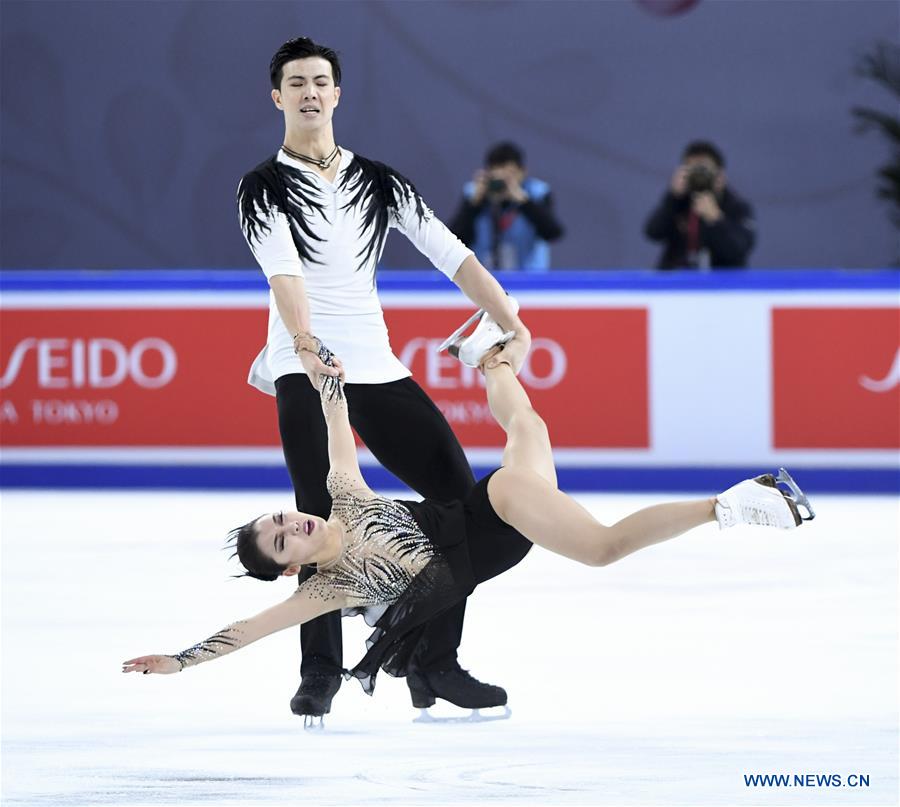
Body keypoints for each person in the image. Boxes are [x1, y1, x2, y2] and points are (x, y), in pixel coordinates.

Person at [123, 316, 816, 708]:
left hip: (495, 514)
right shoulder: (330, 588)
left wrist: (305, 363)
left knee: (603, 547)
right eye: (281, 541)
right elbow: (252, 628)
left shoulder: (342, 492)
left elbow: (336, 413)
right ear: (289, 568)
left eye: (278, 518)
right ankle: (487, 357)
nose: (289, 524)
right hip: (500, 540)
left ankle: (733, 504)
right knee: (529, 431)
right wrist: (181, 662)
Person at [235, 36, 533, 721]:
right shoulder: (261, 187)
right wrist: (307, 348)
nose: (310, 92)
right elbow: (284, 273)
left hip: (375, 363)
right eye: (296, 83)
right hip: (302, 364)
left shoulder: (381, 182)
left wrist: (509, 318)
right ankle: (321, 673)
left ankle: (432, 662)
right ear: (277, 96)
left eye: (320, 81)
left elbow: (450, 254)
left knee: (461, 500)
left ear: (337, 94)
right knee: (316, 513)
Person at [449, 142, 564, 272]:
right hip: (485, 279)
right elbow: (454, 240)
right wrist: (474, 205)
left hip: (530, 280)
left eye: (510, 175)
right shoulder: (473, 194)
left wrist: (523, 201)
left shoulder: (537, 193)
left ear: (523, 172)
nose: (504, 182)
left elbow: (553, 232)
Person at [644, 141, 756, 269]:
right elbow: (652, 233)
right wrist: (672, 197)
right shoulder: (678, 202)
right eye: (692, 170)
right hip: (679, 282)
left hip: (722, 284)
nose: (698, 176)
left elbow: (738, 250)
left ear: (720, 176)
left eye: (703, 170)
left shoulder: (737, 207)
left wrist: (716, 219)